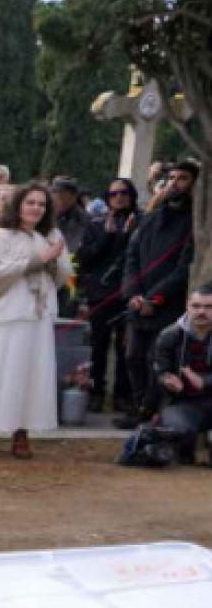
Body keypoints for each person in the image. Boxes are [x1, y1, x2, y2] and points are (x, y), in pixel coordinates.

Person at [0, 182, 70, 459]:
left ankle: (22, 433)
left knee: (29, 374)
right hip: (4, 314)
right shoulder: (2, 235)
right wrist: (38, 259)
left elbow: (62, 276)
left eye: (41, 204)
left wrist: (53, 263)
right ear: (18, 205)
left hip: (36, 315)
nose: (36, 208)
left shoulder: (51, 235)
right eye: (30, 202)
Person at [119, 160, 199, 427]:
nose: (175, 184)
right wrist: (133, 294)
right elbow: (131, 258)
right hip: (139, 302)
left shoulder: (195, 225)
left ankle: (149, 412)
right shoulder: (151, 218)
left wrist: (155, 298)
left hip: (166, 305)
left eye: (183, 179)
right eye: (172, 178)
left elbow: (184, 268)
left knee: (158, 358)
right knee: (132, 356)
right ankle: (140, 405)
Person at [75, 177, 139, 412]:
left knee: (127, 349)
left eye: (124, 192)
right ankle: (96, 392)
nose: (119, 197)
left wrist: (130, 235)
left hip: (129, 293)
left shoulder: (141, 222)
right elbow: (86, 258)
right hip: (101, 293)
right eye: (113, 194)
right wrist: (108, 235)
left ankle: (123, 394)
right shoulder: (96, 223)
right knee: (98, 345)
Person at [150, 283, 212, 462]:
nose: (201, 311)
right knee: (179, 432)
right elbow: (158, 373)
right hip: (182, 403)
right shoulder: (169, 336)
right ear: (187, 306)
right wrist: (168, 382)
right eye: (196, 306)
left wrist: (203, 381)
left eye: (208, 307)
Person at [51, 177, 92, 254]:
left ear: (74, 197)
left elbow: (72, 248)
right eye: (57, 197)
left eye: (64, 198)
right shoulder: (47, 213)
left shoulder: (81, 218)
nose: (60, 202)